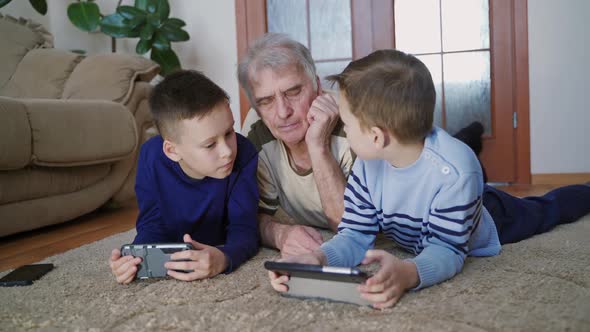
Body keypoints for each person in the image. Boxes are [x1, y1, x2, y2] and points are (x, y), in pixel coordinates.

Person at [268, 49, 590, 309]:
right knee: (457, 153)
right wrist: (318, 257)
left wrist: (409, 273)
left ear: (378, 136)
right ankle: (471, 133)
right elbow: (355, 234)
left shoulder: (455, 172)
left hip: (490, 214)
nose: (345, 132)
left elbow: (449, 249)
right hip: (435, 184)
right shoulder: (368, 163)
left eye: (347, 125)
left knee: (547, 209)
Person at [238, 33, 487, 257]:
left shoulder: (356, 125)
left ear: (316, 85)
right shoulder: (257, 132)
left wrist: (318, 147)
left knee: (490, 200)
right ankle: (467, 137)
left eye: (293, 92)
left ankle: (467, 140)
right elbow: (247, 217)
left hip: (432, 181)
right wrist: (279, 234)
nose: (283, 112)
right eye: (267, 101)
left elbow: (348, 224)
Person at [109, 70, 260, 284]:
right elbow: (152, 223)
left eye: (229, 132)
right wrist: (135, 257)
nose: (227, 151)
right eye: (210, 145)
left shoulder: (244, 154)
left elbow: (244, 228)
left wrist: (224, 258)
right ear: (172, 151)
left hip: (219, 244)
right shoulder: (151, 157)